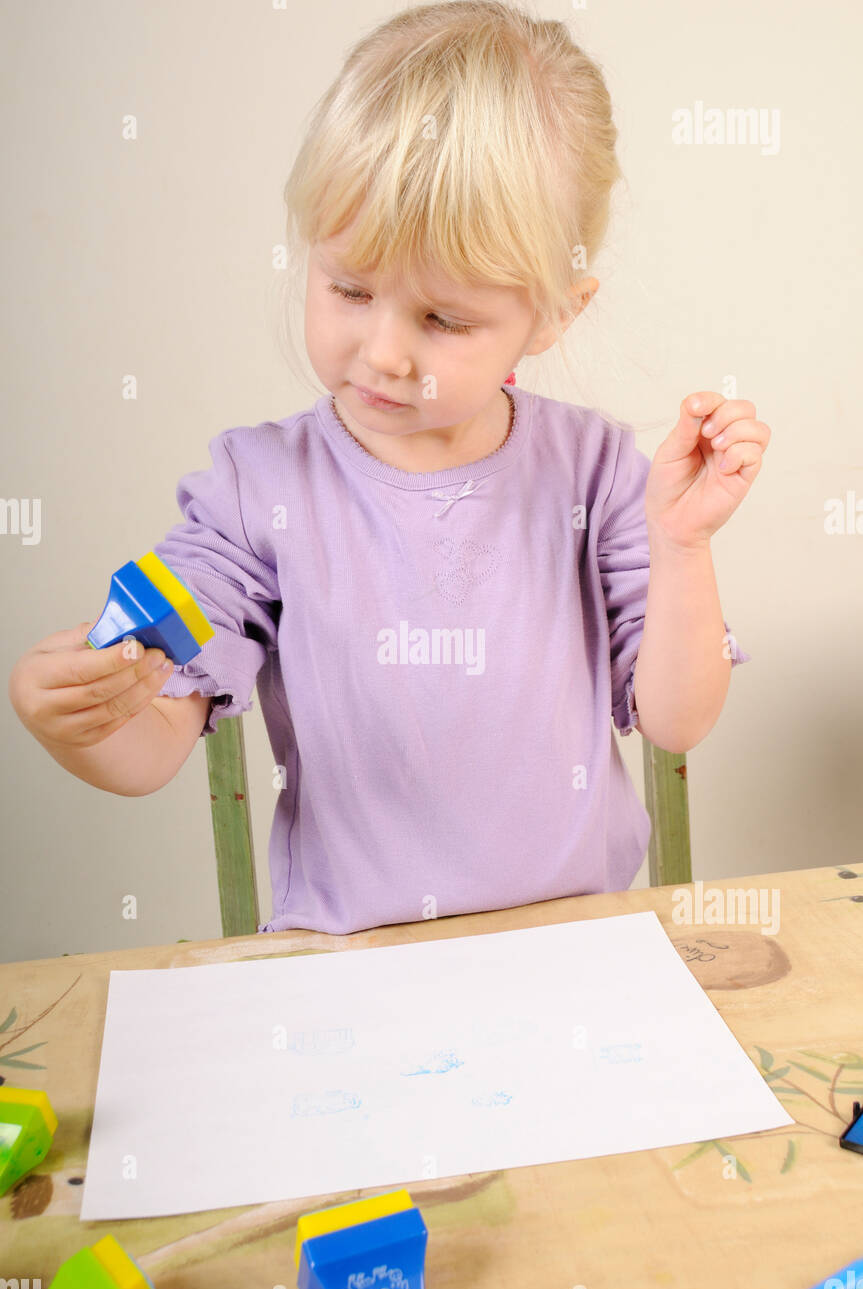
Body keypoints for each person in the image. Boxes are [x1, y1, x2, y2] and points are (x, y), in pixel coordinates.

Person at [9, 1, 770, 936]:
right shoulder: (256, 490)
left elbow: (676, 720)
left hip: (577, 961)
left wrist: (682, 543)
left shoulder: (596, 470)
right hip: (348, 975)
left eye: (442, 320)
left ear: (555, 314)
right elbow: (152, 748)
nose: (382, 353)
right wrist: (76, 717)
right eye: (349, 289)